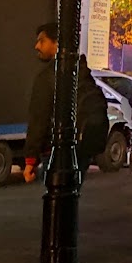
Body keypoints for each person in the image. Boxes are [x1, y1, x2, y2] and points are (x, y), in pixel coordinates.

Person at [23, 21, 107, 188]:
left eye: (42, 41)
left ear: (56, 43)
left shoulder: (48, 77)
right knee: (72, 194)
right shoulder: (82, 72)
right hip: (82, 148)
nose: (37, 46)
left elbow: (39, 119)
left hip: (56, 150)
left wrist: (31, 160)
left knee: (55, 197)